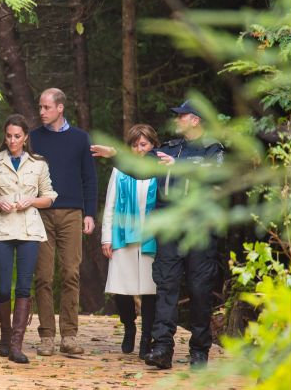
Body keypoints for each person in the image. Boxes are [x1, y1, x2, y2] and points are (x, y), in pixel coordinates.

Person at [91, 99, 224, 370]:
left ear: (195, 119)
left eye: (182, 116)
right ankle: (162, 348)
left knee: (199, 290)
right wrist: (113, 154)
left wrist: (177, 166)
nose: (177, 120)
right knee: (165, 288)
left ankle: (199, 351)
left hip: (199, 231)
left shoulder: (213, 149)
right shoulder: (169, 148)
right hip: (169, 231)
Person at [0, 114, 57, 364]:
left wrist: (31, 201)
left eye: (17, 136)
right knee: (2, 288)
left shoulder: (38, 164)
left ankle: (16, 346)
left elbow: (50, 195)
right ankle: (4, 334)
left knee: (24, 287)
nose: (12, 140)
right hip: (2, 230)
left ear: (25, 138)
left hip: (29, 230)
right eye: (9, 136)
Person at [29, 88, 98, 356]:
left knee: (71, 273)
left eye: (46, 107)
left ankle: (69, 335)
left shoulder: (80, 138)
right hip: (40, 214)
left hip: (72, 213)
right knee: (43, 276)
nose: (41, 112)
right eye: (40, 107)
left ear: (60, 108)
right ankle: (46, 336)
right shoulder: (33, 139)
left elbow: (89, 178)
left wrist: (89, 213)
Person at [99, 124, 163, 360]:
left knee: (149, 291)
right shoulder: (121, 170)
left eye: (143, 144)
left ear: (153, 146)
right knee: (121, 290)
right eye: (135, 145)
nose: (139, 149)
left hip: (151, 237)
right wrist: (106, 237)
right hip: (123, 236)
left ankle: (147, 339)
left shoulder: (160, 170)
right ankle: (129, 325)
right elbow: (110, 205)